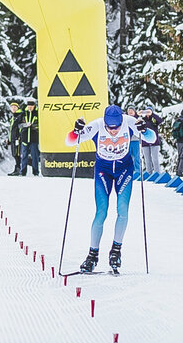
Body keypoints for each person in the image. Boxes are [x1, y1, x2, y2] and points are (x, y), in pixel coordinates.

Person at [67, 104, 156, 273]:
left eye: (117, 127)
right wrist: (75, 131)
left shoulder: (130, 122)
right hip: (103, 171)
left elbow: (151, 138)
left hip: (124, 169)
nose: (114, 131)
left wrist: (144, 130)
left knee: (123, 210)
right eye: (110, 128)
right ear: (105, 123)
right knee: (101, 212)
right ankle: (92, 255)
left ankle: (116, 251)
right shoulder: (97, 125)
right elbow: (70, 141)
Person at [20, 98, 39, 176]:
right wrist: (25, 125)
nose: (30, 107)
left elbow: (40, 125)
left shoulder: (37, 114)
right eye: (28, 106)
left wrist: (32, 126)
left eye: (31, 106)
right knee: (24, 156)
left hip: (34, 138)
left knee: (35, 156)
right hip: (24, 138)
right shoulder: (23, 114)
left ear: (34, 106)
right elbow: (19, 125)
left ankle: (36, 172)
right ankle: (23, 172)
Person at [141, 105, 163, 173]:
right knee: (147, 159)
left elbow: (160, 121)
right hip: (145, 142)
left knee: (155, 159)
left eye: (149, 111)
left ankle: (157, 172)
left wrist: (152, 114)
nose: (148, 112)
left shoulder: (154, 119)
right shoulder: (143, 120)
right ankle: (149, 172)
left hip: (154, 142)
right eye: (147, 111)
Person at [6, 100, 23, 176]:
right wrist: (9, 139)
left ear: (17, 108)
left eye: (15, 107)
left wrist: (19, 136)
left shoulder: (20, 115)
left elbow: (21, 126)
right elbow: (11, 129)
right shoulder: (13, 117)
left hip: (17, 138)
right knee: (14, 154)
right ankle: (17, 168)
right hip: (13, 138)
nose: (13, 108)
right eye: (12, 107)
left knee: (17, 153)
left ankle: (19, 169)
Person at [172, 110, 183, 178]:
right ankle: (179, 172)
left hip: (179, 141)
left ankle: (178, 171)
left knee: (180, 156)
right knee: (182, 156)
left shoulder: (178, 120)